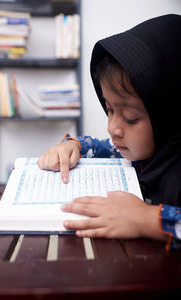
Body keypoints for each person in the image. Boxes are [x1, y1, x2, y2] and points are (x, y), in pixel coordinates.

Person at [38, 14, 181, 251]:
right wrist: (72, 145)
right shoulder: (141, 155)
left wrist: (147, 219)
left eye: (130, 118)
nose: (112, 127)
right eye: (109, 109)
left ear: (169, 114)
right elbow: (99, 146)